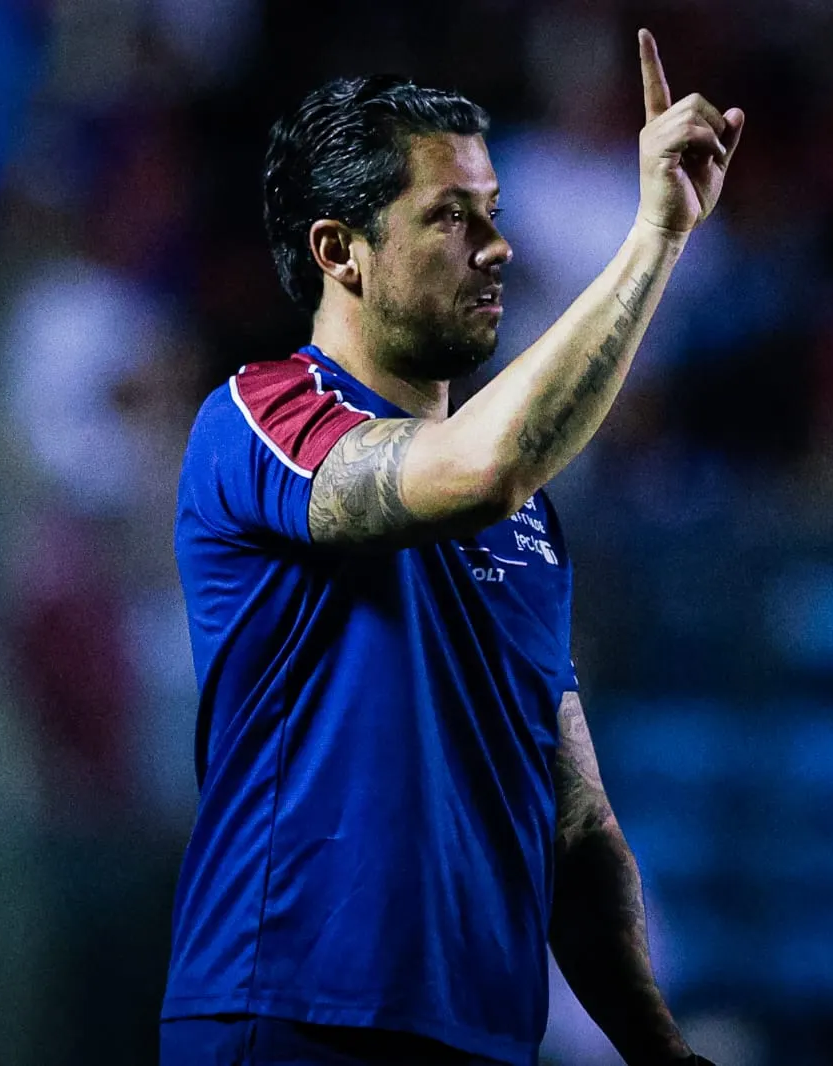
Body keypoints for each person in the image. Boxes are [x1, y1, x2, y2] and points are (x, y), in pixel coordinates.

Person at [162, 29, 742, 1066]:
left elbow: (577, 826)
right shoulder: (260, 416)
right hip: (291, 1016)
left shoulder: (528, 523)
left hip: (482, 1037)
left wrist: (658, 1047)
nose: (496, 245)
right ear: (339, 251)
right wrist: (652, 240)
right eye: (450, 216)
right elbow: (480, 465)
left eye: (495, 213)